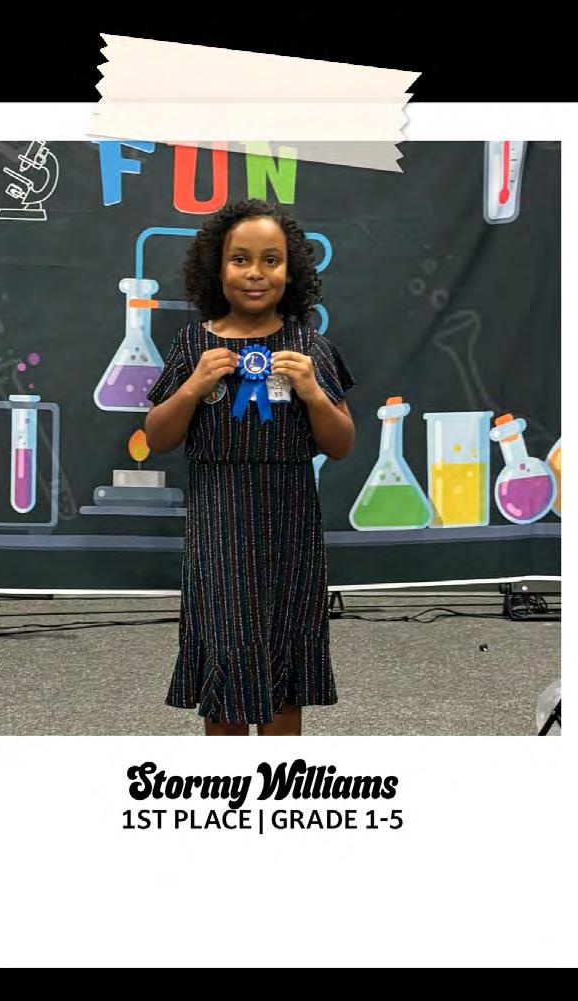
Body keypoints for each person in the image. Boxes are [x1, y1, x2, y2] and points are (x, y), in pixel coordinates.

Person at [145, 199, 356, 735]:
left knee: (284, 652)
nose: (256, 273)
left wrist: (312, 392)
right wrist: (193, 387)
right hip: (219, 523)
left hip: (291, 524)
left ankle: (279, 779)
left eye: (271, 260)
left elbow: (340, 444)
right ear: (217, 268)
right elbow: (158, 436)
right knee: (227, 651)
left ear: (292, 271)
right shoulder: (193, 343)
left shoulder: (309, 346)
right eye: (240, 259)